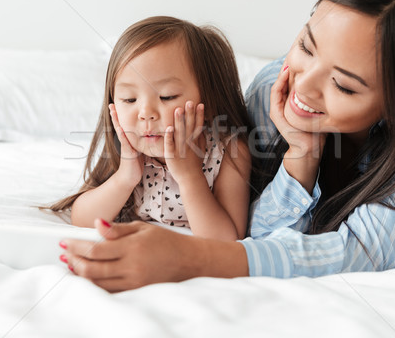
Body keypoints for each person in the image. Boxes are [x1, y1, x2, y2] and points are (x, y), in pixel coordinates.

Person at [59, 0, 395, 291]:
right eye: (306, 46)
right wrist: (303, 154)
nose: (303, 88)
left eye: (343, 86)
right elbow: (265, 232)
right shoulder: (278, 84)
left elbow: (363, 250)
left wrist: (194, 259)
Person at [49, 16, 252, 242]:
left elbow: (225, 240)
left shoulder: (228, 152)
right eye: (129, 99)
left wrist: (189, 175)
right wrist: (125, 177)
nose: (145, 112)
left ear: (208, 99)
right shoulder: (129, 150)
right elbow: (83, 219)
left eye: (167, 96)